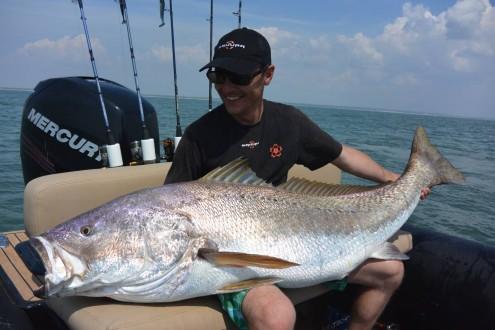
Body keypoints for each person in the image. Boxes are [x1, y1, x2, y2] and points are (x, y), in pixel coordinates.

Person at [165, 28, 429, 330]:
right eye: (218, 76)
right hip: (235, 262)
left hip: (291, 236)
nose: (226, 87)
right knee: (277, 316)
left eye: (238, 77)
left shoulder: (289, 122)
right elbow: (170, 207)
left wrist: (393, 178)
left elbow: (341, 155)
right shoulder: (199, 136)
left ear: (268, 75)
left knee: (391, 271)